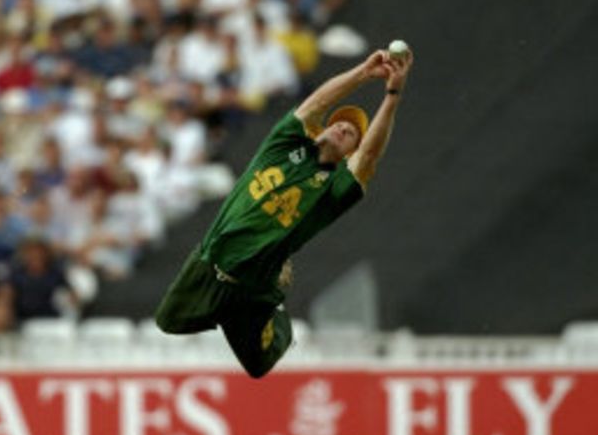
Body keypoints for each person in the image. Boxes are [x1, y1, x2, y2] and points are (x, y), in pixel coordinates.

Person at [156, 46, 414, 378]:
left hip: (252, 288)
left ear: (350, 152)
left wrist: (392, 95)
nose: (342, 128)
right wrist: (363, 73)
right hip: (210, 262)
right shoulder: (283, 146)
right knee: (167, 322)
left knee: (259, 366)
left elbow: (369, 155)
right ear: (321, 129)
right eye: (338, 124)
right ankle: (231, 308)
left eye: (351, 134)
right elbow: (316, 103)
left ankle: (274, 312)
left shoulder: (334, 189)